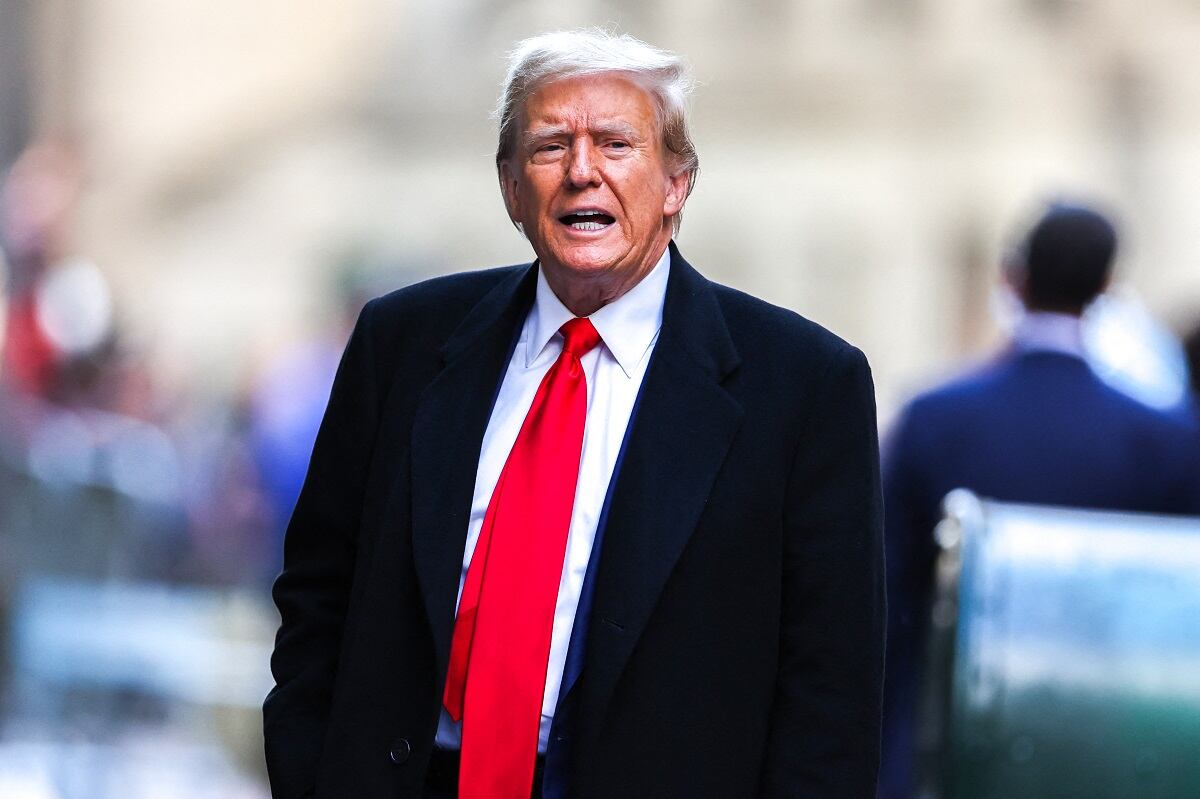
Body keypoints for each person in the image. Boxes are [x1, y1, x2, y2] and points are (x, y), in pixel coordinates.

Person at [264, 29, 884, 799]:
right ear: (510, 186)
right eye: (551, 145)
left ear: (676, 183)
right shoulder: (403, 344)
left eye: (617, 144)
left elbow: (833, 689)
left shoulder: (804, 387)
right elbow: (317, 592)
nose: (582, 171)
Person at [879, 203, 1200, 799]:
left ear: (1013, 280)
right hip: (1113, 750)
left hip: (953, 742)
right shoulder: (1166, 438)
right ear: (1107, 287)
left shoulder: (933, 420)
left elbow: (888, 597)